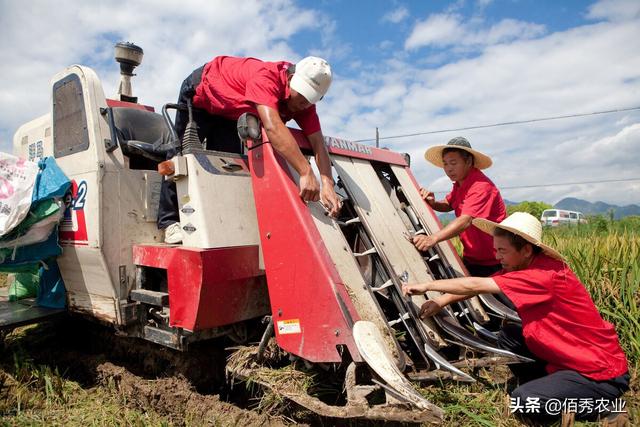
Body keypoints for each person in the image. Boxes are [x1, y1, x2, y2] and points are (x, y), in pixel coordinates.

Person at [403, 212, 629, 423]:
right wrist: (441, 301)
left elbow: (475, 283)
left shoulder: (541, 276)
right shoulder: (526, 267)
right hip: (570, 357)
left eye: (502, 250)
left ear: (527, 250)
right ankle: (546, 388)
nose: (496, 256)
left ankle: (605, 406)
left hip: (598, 373)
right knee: (510, 335)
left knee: (524, 402)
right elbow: (480, 287)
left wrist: (426, 285)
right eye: (495, 249)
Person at [158, 56, 342, 243]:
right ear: (291, 77)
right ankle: (168, 222)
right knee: (180, 157)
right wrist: (305, 171)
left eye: (310, 99)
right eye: (302, 95)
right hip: (203, 94)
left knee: (226, 167)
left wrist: (327, 183)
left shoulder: (305, 105)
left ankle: (217, 221)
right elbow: (273, 127)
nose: (304, 103)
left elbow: (318, 142)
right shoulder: (266, 78)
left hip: (229, 112)